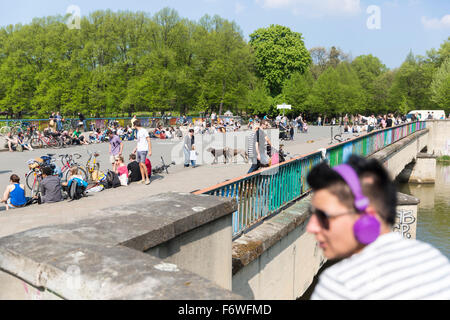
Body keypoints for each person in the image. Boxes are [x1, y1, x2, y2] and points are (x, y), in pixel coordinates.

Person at [306, 155, 450, 300]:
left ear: (366, 217)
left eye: (323, 216)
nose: (312, 227)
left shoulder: (339, 283)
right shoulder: (433, 258)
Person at [132, 120, 152, 185]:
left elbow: (148, 140)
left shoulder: (144, 130)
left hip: (144, 149)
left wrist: (150, 150)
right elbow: (139, 142)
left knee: (143, 164)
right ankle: (143, 179)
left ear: (135, 125)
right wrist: (135, 149)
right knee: (140, 164)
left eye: (133, 125)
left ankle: (147, 179)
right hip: (139, 149)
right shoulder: (138, 132)